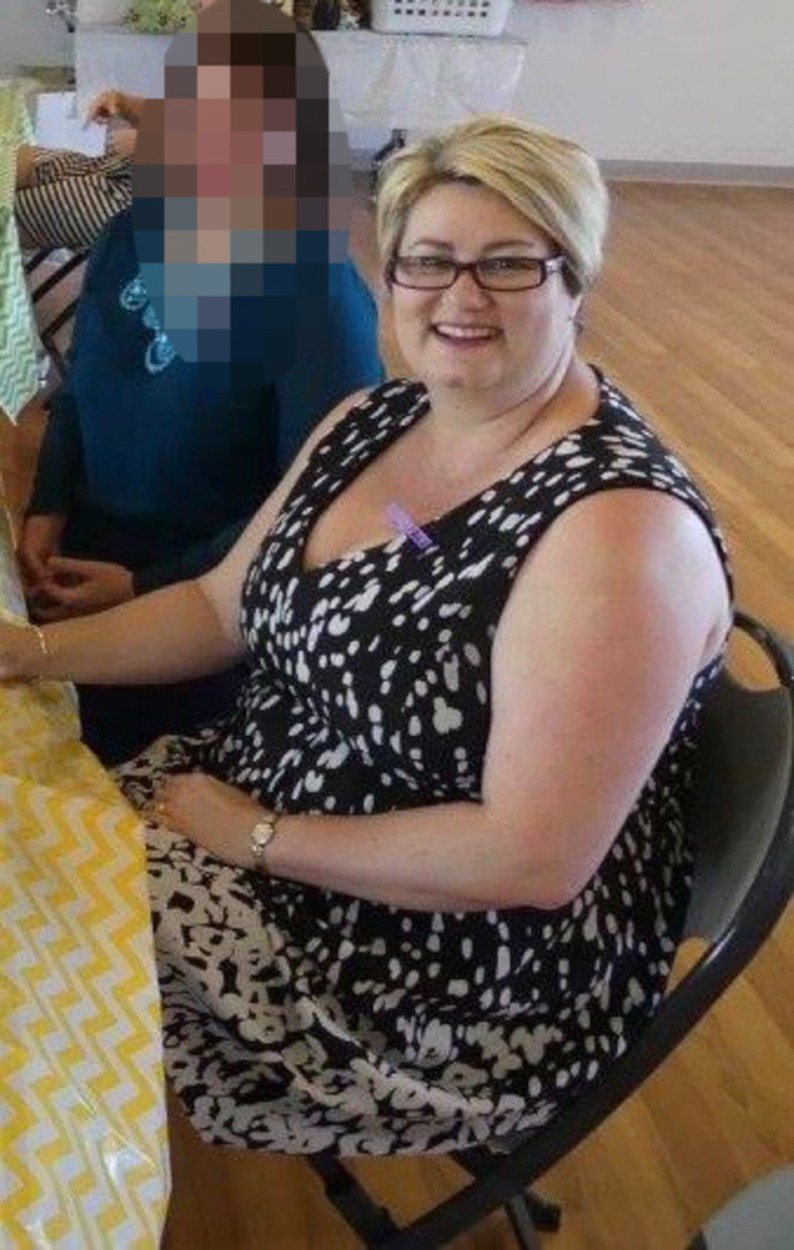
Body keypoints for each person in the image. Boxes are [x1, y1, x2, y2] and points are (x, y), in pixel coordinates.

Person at [1, 115, 732, 1156]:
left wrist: (256, 835)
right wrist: (33, 653)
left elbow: (529, 856)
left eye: (507, 263)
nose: (459, 296)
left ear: (576, 279)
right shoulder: (377, 421)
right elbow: (219, 606)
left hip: (431, 967)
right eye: (427, 261)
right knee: (20, 855)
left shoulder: (618, 532)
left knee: (26, 937)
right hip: (254, 811)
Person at [18, 28, 383, 765]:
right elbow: (82, 387)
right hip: (86, 559)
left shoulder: (317, 295)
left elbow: (318, 498)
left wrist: (143, 584)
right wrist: (47, 506)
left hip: (207, 607)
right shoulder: (131, 234)